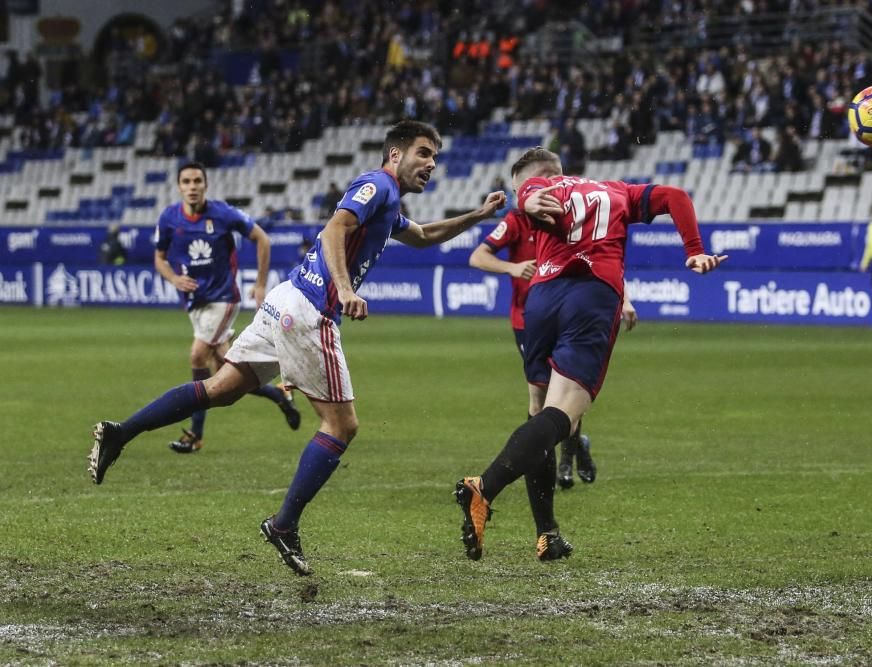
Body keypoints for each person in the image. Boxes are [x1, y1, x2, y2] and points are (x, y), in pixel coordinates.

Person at [89, 121, 507, 576]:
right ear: (395, 154)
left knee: (221, 388)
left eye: (436, 158)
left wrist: (477, 216)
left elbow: (424, 235)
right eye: (423, 153)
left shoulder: (389, 204)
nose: (431, 164)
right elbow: (334, 230)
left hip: (286, 298)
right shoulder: (377, 185)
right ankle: (284, 524)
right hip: (309, 311)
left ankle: (120, 432)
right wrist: (345, 289)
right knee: (341, 424)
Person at [454, 148, 726, 562]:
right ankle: (485, 487)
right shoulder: (616, 191)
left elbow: (530, 194)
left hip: (541, 301)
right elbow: (675, 196)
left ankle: (547, 534)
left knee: (539, 413)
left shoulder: (538, 187)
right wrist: (693, 248)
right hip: (592, 295)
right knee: (563, 418)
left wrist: (525, 199)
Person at [469, 163, 639, 490]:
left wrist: (626, 299)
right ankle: (574, 449)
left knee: (566, 391)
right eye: (521, 191)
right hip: (530, 317)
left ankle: (564, 465)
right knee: (541, 402)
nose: (524, 195)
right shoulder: (517, 220)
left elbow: (605, 263)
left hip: (573, 309)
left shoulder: (579, 212)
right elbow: (478, 256)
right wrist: (513, 267)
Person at [154, 161, 301, 454]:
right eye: (187, 181)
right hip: (196, 304)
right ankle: (280, 397)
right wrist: (173, 278)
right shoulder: (169, 218)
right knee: (227, 371)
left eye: (197, 181)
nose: (192, 186)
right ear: (179, 186)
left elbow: (262, 238)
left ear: (205, 185)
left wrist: (260, 284)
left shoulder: (222, 213)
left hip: (223, 299)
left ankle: (195, 435)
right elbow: (159, 257)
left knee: (197, 355)